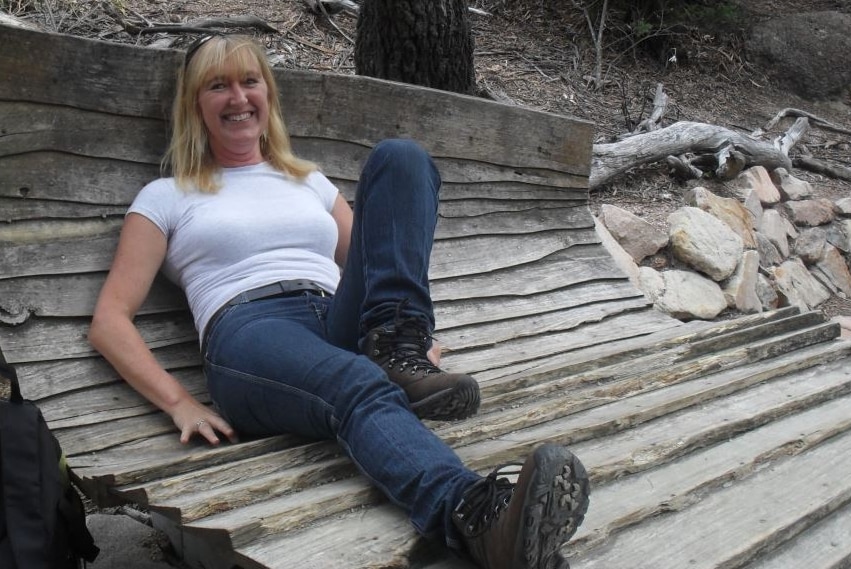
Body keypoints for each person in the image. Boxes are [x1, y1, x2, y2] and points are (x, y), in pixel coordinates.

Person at [88, 34, 589, 569]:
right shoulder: (167, 195)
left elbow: (376, 261)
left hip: (332, 313)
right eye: (218, 86)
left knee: (402, 157)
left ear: (268, 94)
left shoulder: (308, 181)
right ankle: (474, 517)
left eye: (249, 81)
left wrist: (412, 333)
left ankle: (400, 349)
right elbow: (109, 321)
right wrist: (177, 402)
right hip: (251, 333)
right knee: (357, 382)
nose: (238, 98)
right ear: (195, 105)